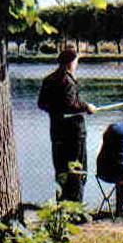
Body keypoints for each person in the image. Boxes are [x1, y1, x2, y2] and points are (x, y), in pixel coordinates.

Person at [38, 45, 96, 202]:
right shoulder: (68, 81)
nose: (77, 65)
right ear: (70, 62)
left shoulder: (49, 80)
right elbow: (71, 105)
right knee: (77, 169)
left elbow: (41, 104)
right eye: (76, 61)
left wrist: (56, 111)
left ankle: (62, 205)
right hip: (74, 134)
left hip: (56, 131)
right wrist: (87, 107)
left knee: (61, 169)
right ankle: (75, 209)